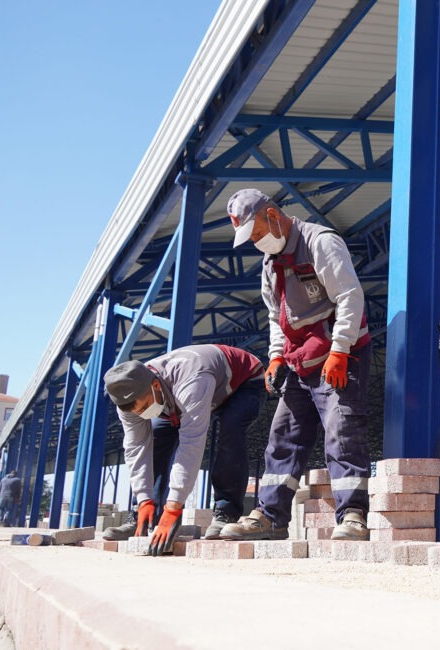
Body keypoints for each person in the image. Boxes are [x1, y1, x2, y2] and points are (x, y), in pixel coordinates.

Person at [219, 188, 372, 541]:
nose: (257, 242)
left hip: (340, 352)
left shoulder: (320, 242)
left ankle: (352, 515)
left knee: (342, 430)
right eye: (250, 239)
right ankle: (270, 516)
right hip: (301, 360)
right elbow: (276, 316)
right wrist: (275, 356)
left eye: (257, 233)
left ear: (273, 215)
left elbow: (350, 296)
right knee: (283, 436)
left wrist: (340, 350)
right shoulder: (270, 264)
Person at [102, 344, 265, 555]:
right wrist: (144, 499)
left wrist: (174, 506)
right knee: (157, 438)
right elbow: (136, 448)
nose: (143, 413)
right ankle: (144, 516)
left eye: (145, 406)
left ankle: (226, 511)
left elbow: (191, 442)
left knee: (231, 429)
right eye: (138, 411)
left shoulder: (192, 379)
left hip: (241, 383)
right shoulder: (127, 398)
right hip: (178, 398)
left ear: (156, 385)